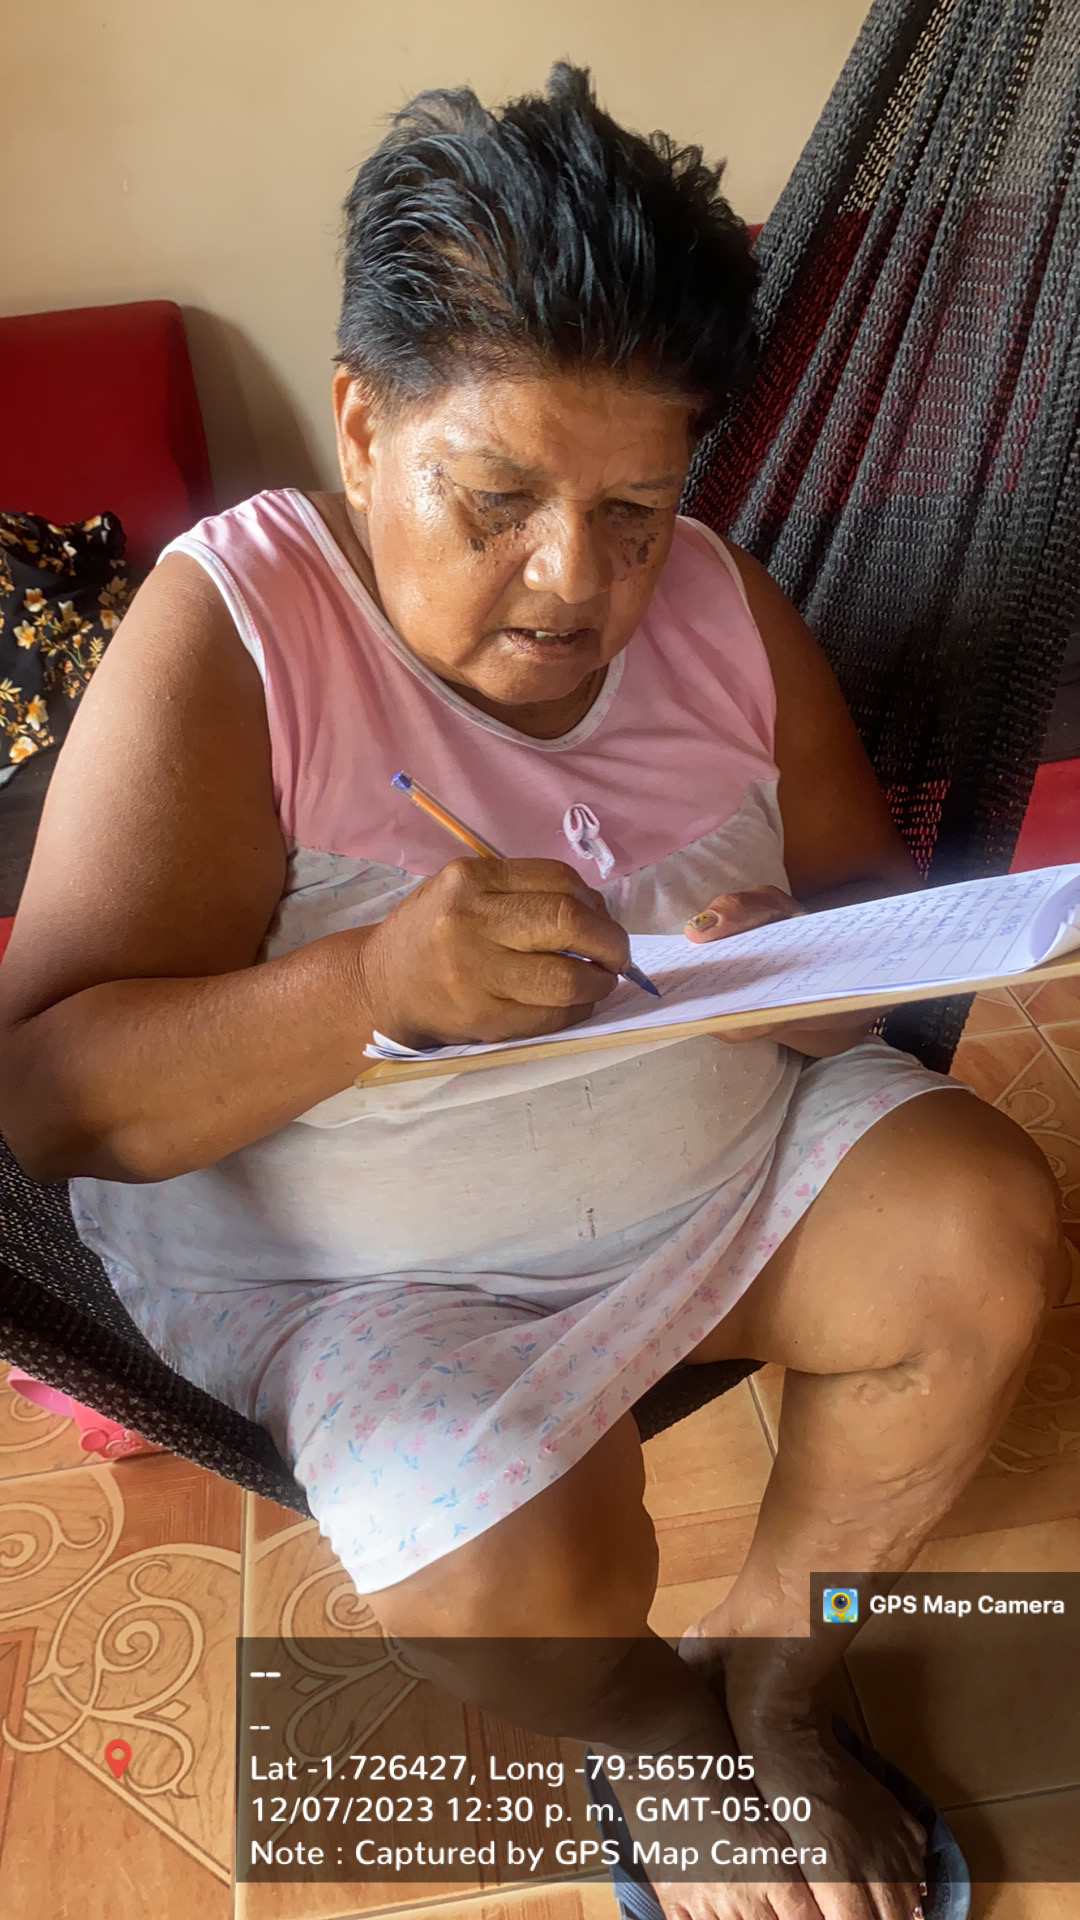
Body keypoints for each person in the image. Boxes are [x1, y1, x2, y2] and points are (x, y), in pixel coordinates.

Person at [0, 62, 1066, 1920]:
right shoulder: (241, 631)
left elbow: (854, 947)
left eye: (637, 509)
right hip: (375, 1282)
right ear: (360, 423)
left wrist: (792, 974)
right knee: (493, 1567)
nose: (575, 581)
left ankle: (776, 1675)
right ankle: (652, 1733)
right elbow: (51, 1102)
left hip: (727, 1178)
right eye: (496, 498)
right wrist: (367, 982)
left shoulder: (724, 608)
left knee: (982, 1230)